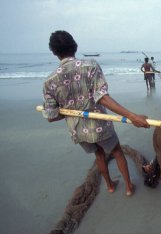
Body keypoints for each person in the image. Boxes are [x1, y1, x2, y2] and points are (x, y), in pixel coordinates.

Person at [42, 30, 150, 197]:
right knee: (116, 152)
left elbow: (51, 116)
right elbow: (103, 99)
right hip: (100, 126)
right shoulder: (90, 65)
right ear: (74, 46)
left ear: (54, 52)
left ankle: (110, 186)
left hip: (77, 130)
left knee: (98, 154)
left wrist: (68, 111)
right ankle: (129, 187)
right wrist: (133, 116)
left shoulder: (49, 81)